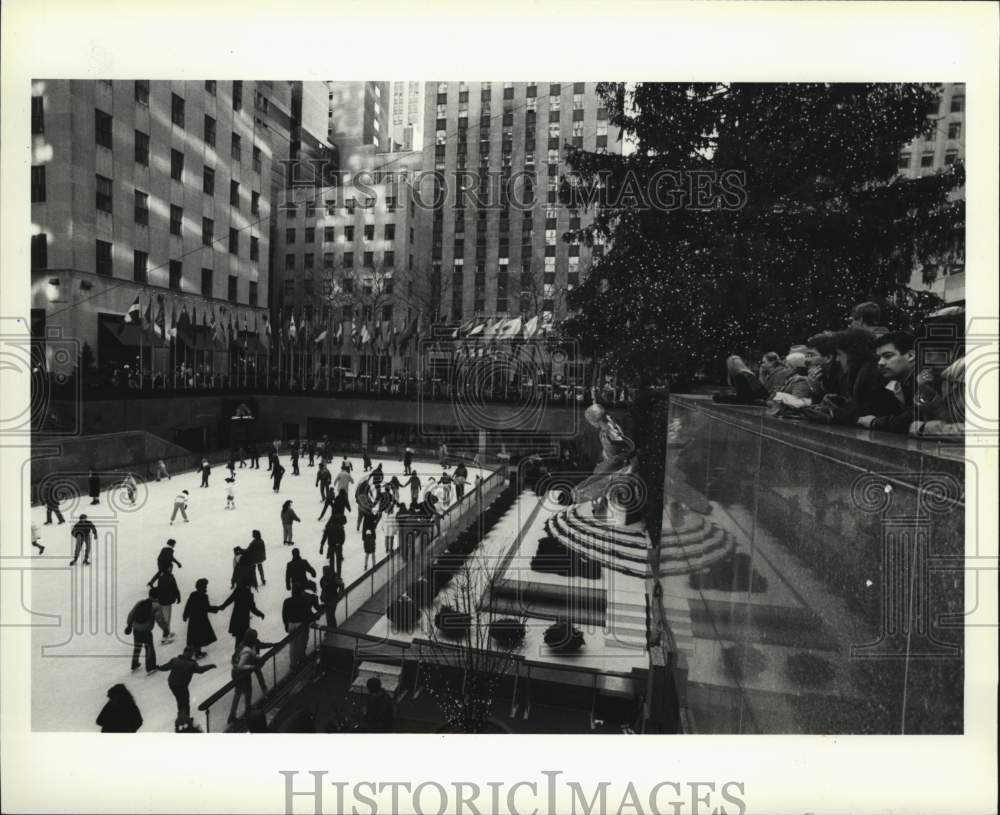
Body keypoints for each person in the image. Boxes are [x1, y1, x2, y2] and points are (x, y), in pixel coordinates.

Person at [857, 331, 917, 433]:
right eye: (879, 358)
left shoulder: (924, 378)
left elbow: (914, 417)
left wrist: (875, 422)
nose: (880, 363)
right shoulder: (898, 380)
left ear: (910, 356)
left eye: (888, 356)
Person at [157, 647, 216, 730]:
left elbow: (165, 667)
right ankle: (185, 720)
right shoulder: (191, 664)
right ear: (191, 654)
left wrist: (159, 667)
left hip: (172, 684)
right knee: (184, 703)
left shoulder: (175, 660)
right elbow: (200, 670)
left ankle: (184, 718)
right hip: (182, 686)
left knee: (181, 701)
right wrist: (210, 666)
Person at [227, 629, 274, 724]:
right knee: (248, 692)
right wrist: (251, 666)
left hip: (235, 673)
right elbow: (241, 665)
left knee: (238, 693)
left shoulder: (241, 644)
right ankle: (248, 711)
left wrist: (256, 658)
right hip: (242, 674)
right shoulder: (247, 650)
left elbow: (234, 659)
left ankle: (232, 715)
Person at [282, 584, 320, 670]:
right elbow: (308, 613)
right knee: (301, 644)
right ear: (300, 592)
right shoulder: (304, 601)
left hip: (291, 624)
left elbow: (284, 615)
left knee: (293, 645)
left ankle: (293, 665)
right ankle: (300, 662)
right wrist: (315, 617)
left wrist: (286, 625)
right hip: (301, 625)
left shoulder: (287, 601)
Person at [216, 584, 266, 651]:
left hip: (236, 618)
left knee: (238, 637)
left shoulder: (238, 591)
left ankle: (237, 654)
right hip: (244, 620)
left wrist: (222, 606)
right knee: (242, 637)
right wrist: (260, 614)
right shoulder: (249, 594)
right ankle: (239, 655)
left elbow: (230, 599)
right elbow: (252, 608)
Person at [182, 578, 218, 659]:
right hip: (202, 620)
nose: (206, 587)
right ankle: (198, 653)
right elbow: (207, 608)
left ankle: (193, 651)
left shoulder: (193, 594)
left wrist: (185, 615)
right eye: (206, 586)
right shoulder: (204, 596)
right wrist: (217, 608)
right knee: (200, 636)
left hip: (193, 619)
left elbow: (188, 605)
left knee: (194, 635)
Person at [125, 589, 158, 672]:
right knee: (149, 648)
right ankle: (151, 667)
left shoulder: (140, 602)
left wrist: (129, 625)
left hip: (136, 629)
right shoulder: (155, 606)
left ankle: (134, 664)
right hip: (146, 630)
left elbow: (131, 614)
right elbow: (160, 620)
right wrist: (165, 630)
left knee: (137, 647)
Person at [148, 566, 181, 643]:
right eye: (170, 567)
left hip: (163, 600)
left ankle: (167, 633)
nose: (171, 568)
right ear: (168, 568)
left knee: (166, 618)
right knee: (166, 618)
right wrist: (178, 596)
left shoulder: (162, 577)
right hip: (166, 601)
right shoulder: (169, 577)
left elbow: (161, 589)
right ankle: (165, 636)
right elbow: (174, 587)